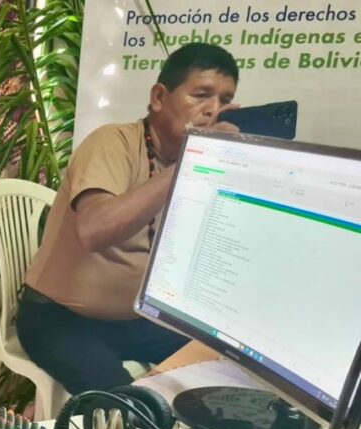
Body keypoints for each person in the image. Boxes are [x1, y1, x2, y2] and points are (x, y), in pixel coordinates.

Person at [16, 43, 240, 395]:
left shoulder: (202, 166)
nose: (212, 110)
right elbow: (95, 230)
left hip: (138, 320)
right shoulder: (112, 142)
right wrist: (194, 161)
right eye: (201, 95)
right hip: (58, 319)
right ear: (158, 97)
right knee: (125, 407)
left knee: (227, 372)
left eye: (224, 101)